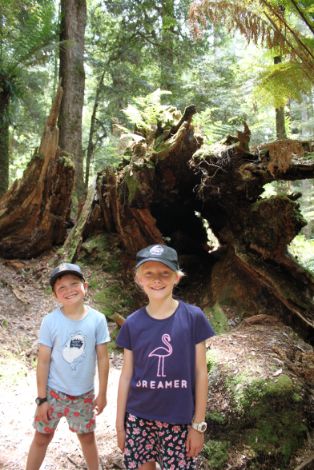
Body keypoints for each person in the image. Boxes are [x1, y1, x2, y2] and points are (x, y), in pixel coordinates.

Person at [115, 244, 215, 470]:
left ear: (177, 277)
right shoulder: (132, 323)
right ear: (139, 279)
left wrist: (198, 425)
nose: (157, 279)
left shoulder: (193, 317)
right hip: (139, 417)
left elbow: (201, 372)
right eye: (149, 273)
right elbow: (126, 375)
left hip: (179, 420)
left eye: (164, 273)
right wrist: (120, 426)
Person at [26, 262, 110, 470]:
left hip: (83, 395)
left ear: (85, 287)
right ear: (55, 295)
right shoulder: (50, 321)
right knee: (42, 437)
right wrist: (42, 399)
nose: (69, 290)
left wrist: (102, 393)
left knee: (87, 438)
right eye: (61, 287)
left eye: (74, 283)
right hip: (54, 393)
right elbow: (43, 361)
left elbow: (102, 358)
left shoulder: (97, 320)